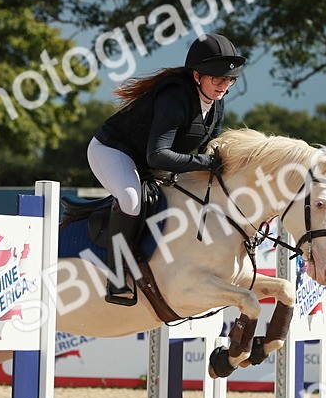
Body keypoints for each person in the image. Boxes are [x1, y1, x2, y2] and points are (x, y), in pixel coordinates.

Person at [88, 32, 245, 301]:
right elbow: (158, 156)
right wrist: (205, 163)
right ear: (197, 76)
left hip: (149, 162)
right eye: (217, 78)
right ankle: (116, 277)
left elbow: (211, 150)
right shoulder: (174, 97)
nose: (223, 86)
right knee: (131, 198)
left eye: (229, 79)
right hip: (113, 151)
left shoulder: (217, 104)